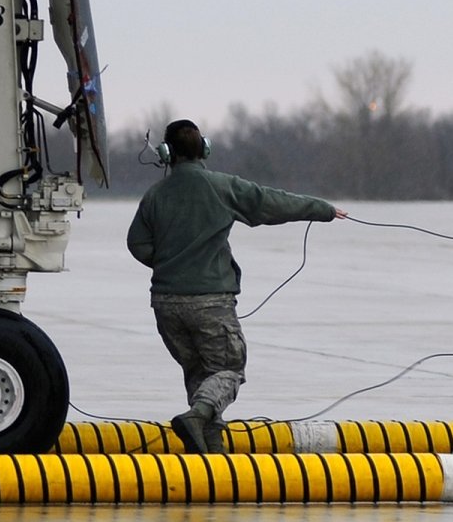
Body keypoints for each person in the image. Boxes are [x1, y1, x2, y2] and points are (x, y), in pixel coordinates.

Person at [126, 118, 346, 455]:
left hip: (166, 305)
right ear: (205, 149)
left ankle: (209, 452)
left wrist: (171, 264)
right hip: (210, 303)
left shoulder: (154, 195)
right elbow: (271, 202)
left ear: (166, 154)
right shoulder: (221, 186)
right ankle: (197, 418)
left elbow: (137, 244)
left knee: (201, 375)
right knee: (228, 369)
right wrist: (323, 210)